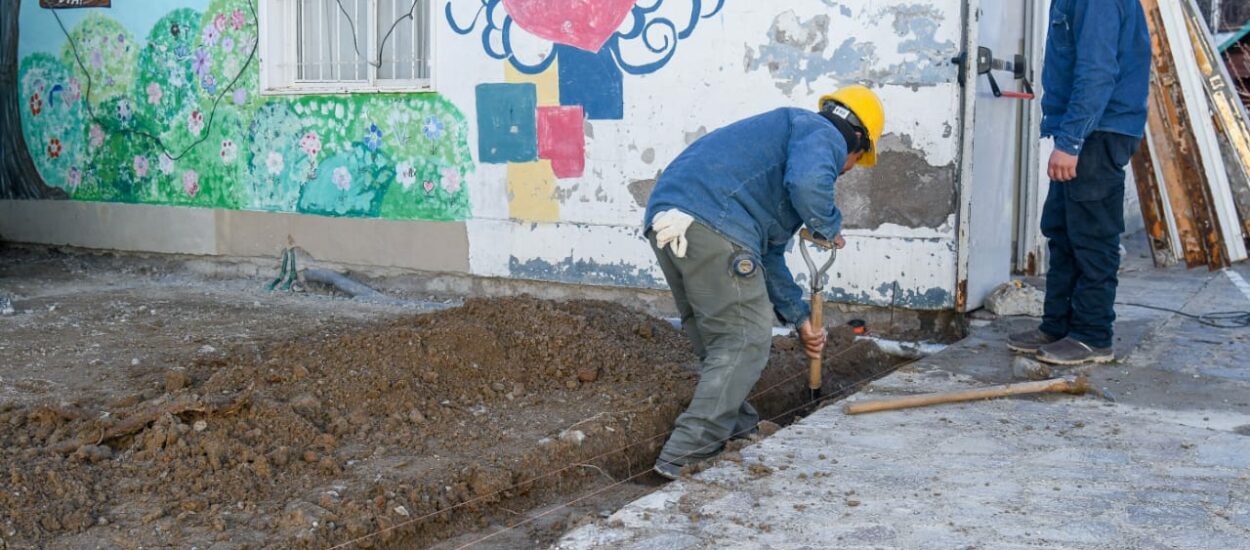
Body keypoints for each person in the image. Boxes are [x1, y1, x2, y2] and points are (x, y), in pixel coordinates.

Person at [642, 85, 884, 479]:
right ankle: (685, 455)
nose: (849, 169)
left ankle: (741, 430)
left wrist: (801, 318)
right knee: (746, 340)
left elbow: (766, 256)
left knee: (721, 344)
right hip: (712, 224)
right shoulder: (820, 132)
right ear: (855, 137)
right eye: (856, 160)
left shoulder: (781, 145)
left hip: (670, 222)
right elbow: (809, 184)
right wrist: (828, 225)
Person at [1008, 0, 1151, 365]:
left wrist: (1071, 141)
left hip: (1096, 132)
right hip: (1085, 129)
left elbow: (1097, 71)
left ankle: (1092, 335)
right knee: (1062, 230)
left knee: (1091, 236)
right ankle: (1059, 326)